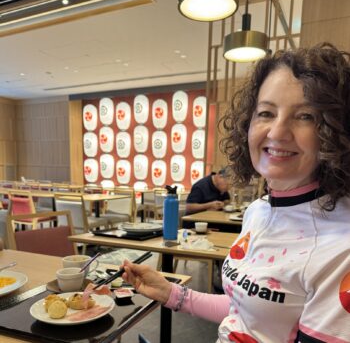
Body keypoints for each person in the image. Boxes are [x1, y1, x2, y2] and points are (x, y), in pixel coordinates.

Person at [121, 43, 350, 342]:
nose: (277, 132)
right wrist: (172, 293)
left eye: (305, 115)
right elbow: (248, 308)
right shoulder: (259, 210)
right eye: (266, 112)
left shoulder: (341, 246)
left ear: (335, 131)